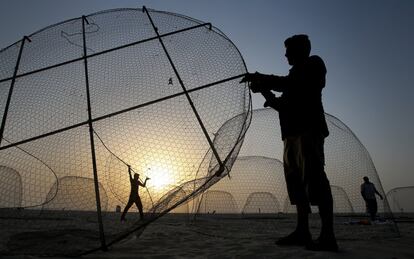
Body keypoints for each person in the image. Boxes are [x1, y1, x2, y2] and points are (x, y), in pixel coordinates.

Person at [240, 34, 337, 251]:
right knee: (296, 183)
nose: (285, 55)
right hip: (290, 136)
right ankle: (303, 231)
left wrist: (261, 77)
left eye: (288, 50)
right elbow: (281, 104)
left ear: (301, 50)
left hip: (309, 131)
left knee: (316, 180)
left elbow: (289, 84)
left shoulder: (314, 64)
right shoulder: (294, 77)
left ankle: (328, 236)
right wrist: (263, 88)